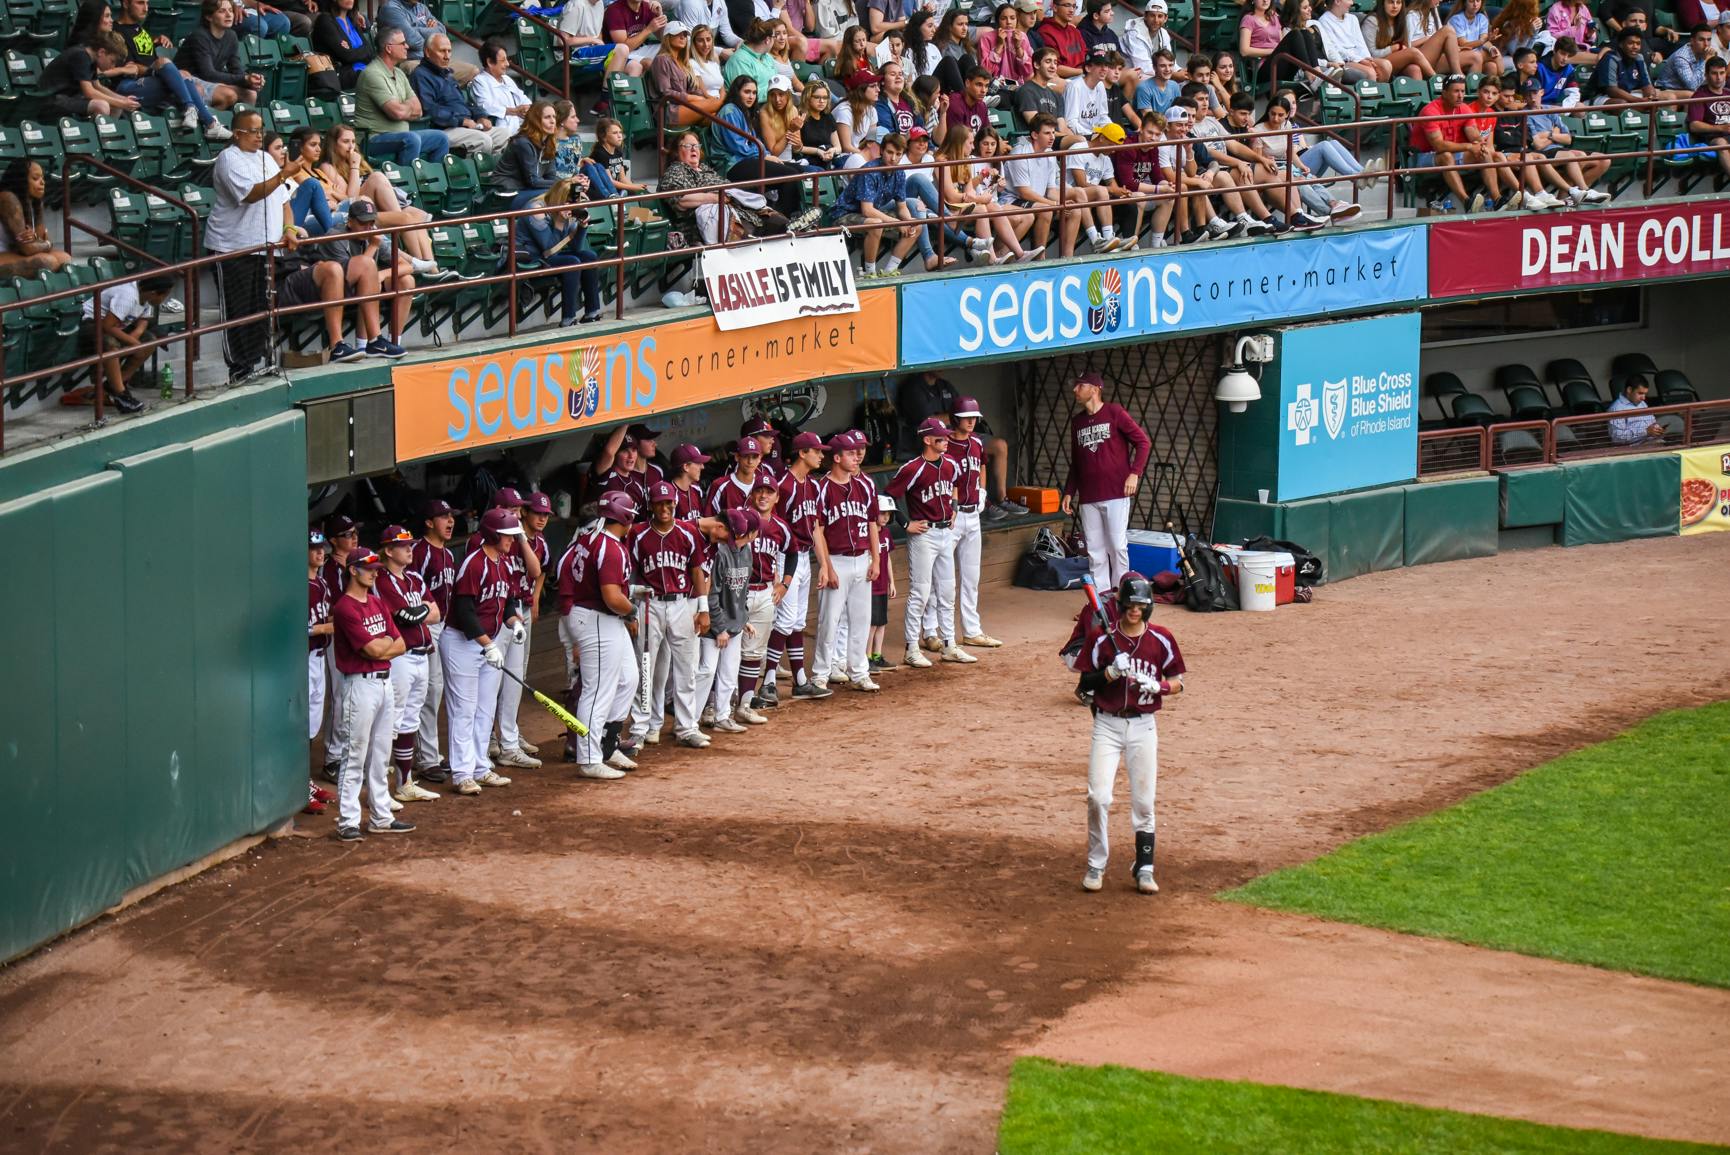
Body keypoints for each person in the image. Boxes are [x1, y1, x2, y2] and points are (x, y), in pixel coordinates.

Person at [1073, 574, 1185, 894]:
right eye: (1130, 605)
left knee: (1144, 802)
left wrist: (1159, 686)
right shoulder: (1101, 639)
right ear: (1120, 605)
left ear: (1148, 607)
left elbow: (1178, 682)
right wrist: (1109, 673)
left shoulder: (1161, 638)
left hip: (1143, 726)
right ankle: (1096, 864)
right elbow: (1083, 685)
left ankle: (1144, 867)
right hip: (1107, 725)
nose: (1135, 611)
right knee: (1098, 797)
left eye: (1141, 606)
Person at [206, 109, 307, 382]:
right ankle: (239, 368)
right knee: (238, 310)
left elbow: (284, 202)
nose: (259, 136)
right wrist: (284, 173)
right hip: (233, 247)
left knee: (261, 308)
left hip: (265, 247)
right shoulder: (228, 158)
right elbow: (250, 195)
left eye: (261, 130)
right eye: (253, 131)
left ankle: (258, 361)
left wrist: (289, 229)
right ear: (237, 133)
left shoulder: (266, 158)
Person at [328, 549, 417, 841]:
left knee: (381, 755)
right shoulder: (345, 608)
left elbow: (401, 644)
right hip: (359, 686)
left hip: (384, 684)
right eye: (369, 568)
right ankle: (347, 821)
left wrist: (383, 645)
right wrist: (384, 644)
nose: (375, 572)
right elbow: (373, 649)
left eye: (377, 568)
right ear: (353, 570)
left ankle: (381, 817)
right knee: (354, 754)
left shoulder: (377, 602)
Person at [557, 491, 641, 779]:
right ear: (625, 518)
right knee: (597, 691)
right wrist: (632, 610)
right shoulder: (609, 546)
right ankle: (590, 758)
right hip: (595, 617)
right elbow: (612, 597)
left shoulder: (591, 537)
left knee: (628, 679)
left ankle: (607, 744)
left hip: (602, 617)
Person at [441, 507, 524, 796]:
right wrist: (488, 644)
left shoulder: (505, 563)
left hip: (488, 642)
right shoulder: (474, 564)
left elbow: (508, 602)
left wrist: (514, 623)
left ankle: (480, 766)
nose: (512, 540)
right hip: (462, 643)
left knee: (485, 708)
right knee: (463, 709)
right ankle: (462, 773)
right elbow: (464, 612)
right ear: (492, 534)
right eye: (507, 535)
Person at [628, 480, 712, 750]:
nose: (665, 508)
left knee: (686, 668)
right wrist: (631, 610)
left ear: (675, 504)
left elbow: (697, 570)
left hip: (681, 604)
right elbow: (628, 572)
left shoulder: (688, 532)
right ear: (651, 505)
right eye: (659, 503)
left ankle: (687, 727)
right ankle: (640, 728)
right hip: (649, 605)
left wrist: (703, 608)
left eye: (669, 503)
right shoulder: (638, 533)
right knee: (645, 669)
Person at [887, 415, 973, 669]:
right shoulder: (913, 468)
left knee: (947, 591)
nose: (946, 440)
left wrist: (954, 508)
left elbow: (955, 486)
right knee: (920, 593)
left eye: (946, 437)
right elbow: (888, 497)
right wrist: (906, 524)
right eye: (940, 438)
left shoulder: (949, 464)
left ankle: (949, 645)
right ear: (927, 440)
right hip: (924, 535)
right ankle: (911, 648)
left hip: (946, 532)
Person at [1063, 371, 1152, 593]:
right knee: (1095, 551)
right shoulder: (1077, 422)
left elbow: (1143, 442)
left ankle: (1122, 595)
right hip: (1088, 496)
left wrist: (1135, 473)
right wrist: (1069, 491)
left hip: (1115, 492)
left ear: (1095, 389)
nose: (1075, 390)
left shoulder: (1114, 412)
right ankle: (1102, 599)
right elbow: (1076, 461)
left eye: (1080, 386)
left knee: (1117, 547)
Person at [759, 431, 831, 706]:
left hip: (804, 558)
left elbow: (815, 528)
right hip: (783, 557)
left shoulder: (813, 486)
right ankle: (768, 682)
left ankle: (800, 680)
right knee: (785, 620)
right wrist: (775, 569)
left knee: (798, 621)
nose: (821, 455)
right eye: (817, 451)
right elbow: (772, 525)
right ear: (802, 453)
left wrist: (823, 564)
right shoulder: (783, 485)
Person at [377, 524, 442, 805]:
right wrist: (422, 610)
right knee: (390, 721)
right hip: (399, 658)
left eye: (410, 544)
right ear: (389, 551)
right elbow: (403, 616)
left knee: (410, 720)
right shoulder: (382, 579)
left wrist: (421, 610)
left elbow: (436, 613)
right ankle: (379, 790)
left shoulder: (414, 577)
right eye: (403, 546)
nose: (409, 549)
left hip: (421, 655)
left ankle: (404, 784)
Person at [811, 430, 881, 693]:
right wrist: (827, 567)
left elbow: (872, 523)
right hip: (836, 560)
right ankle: (821, 673)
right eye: (850, 453)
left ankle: (859, 671)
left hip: (861, 559)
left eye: (857, 453)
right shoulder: (822, 488)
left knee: (861, 620)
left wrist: (876, 559)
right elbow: (817, 530)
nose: (857, 457)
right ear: (837, 458)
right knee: (829, 622)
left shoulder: (865, 485)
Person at [833, 128, 944, 275]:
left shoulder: (899, 173)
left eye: (898, 154)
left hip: (869, 215)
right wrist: (897, 224)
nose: (893, 158)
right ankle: (870, 274)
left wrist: (908, 221)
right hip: (844, 214)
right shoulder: (869, 171)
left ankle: (889, 272)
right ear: (881, 151)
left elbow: (902, 207)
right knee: (876, 224)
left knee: (917, 226)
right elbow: (867, 210)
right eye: (889, 152)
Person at [111, 0, 227, 137]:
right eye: (140, 3)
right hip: (129, 86)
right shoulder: (117, 32)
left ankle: (198, 116)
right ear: (126, 4)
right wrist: (159, 70)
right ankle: (204, 119)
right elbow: (131, 68)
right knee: (170, 68)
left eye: (147, 3)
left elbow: (143, 55)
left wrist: (156, 41)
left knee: (190, 83)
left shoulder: (139, 29)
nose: (146, 8)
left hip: (151, 83)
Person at [693, 508, 759, 733]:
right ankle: (690, 722)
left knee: (729, 673)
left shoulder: (747, 552)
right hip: (714, 626)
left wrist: (743, 618)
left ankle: (723, 717)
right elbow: (712, 593)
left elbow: (743, 589)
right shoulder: (719, 552)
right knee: (706, 672)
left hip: (734, 624)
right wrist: (720, 627)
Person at [411, 499, 457, 783]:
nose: (450, 521)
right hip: (424, 626)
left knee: (438, 689)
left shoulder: (448, 555)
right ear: (429, 522)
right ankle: (426, 757)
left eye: (451, 516)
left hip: (446, 626)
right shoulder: (419, 551)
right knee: (428, 690)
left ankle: (428, 753)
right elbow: (409, 590)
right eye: (443, 516)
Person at [356, 28, 451, 165]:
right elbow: (397, 113)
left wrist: (403, 109)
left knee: (441, 138)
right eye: (402, 43)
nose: (407, 46)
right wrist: (406, 108)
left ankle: (433, 179)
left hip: (401, 136)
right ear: (389, 48)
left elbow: (418, 110)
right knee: (411, 139)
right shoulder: (372, 74)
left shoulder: (399, 73)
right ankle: (406, 178)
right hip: (373, 138)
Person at [83, 273, 173, 413]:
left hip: (117, 326)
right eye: (164, 296)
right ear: (153, 293)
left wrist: (135, 338)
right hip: (91, 323)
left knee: (149, 341)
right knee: (111, 344)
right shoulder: (128, 296)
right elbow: (107, 326)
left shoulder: (146, 295)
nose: (164, 299)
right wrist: (134, 343)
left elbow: (144, 320)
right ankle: (120, 395)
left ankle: (113, 386)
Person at [412, 34, 512, 155]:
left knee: (503, 134)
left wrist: (481, 116)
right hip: (443, 129)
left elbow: (463, 104)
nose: (447, 56)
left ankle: (493, 167)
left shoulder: (447, 75)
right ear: (428, 52)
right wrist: (461, 121)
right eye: (442, 51)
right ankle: (475, 166)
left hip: (465, 126)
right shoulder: (420, 75)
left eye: (449, 51)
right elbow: (430, 110)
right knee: (483, 140)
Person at [741, 476, 794, 704]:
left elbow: (792, 553)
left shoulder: (780, 526)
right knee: (729, 650)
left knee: (754, 652)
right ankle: (717, 703)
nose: (763, 496)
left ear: (777, 498)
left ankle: (746, 700)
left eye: (769, 492)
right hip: (739, 591)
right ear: (751, 494)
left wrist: (785, 584)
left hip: (764, 591)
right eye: (759, 491)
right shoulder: (738, 519)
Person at [318, 514, 360, 781]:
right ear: (333, 541)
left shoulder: (360, 563)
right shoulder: (330, 569)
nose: (354, 537)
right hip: (336, 636)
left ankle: (350, 754)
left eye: (355, 532)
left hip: (359, 633)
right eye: (347, 534)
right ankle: (333, 757)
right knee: (340, 694)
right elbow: (331, 611)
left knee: (356, 695)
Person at [1410, 73, 1481, 210]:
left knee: (1484, 153)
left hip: (1451, 153)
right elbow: (1439, 146)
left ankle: (1498, 199)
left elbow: (1474, 136)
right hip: (1421, 157)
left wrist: (1479, 144)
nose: (1460, 95)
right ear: (1444, 93)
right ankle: (1467, 201)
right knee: (1446, 156)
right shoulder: (1431, 111)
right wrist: (1468, 146)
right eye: (1456, 91)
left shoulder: (1464, 108)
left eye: (1462, 91)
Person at [305, 528, 337, 815]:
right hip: (302, 659)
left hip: (319, 657)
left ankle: (304, 780)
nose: (320, 552)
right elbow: (300, 627)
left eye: (322, 548)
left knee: (313, 722)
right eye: (313, 548)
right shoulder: (298, 585)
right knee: (301, 723)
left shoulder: (323, 583)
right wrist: (327, 627)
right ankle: (298, 784)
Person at [179, 0, 262, 107]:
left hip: (210, 80)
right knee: (229, 95)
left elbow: (236, 69)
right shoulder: (199, 36)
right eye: (222, 11)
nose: (228, 15)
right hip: (188, 81)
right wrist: (244, 79)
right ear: (209, 17)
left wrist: (250, 81)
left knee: (250, 94)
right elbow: (208, 74)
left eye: (230, 10)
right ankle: (211, 117)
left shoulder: (231, 36)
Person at [41, 29, 135, 118]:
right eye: (112, 61)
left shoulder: (92, 60)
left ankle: (106, 130)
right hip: (52, 99)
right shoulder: (81, 56)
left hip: (69, 97)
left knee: (116, 107)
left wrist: (123, 99)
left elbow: (97, 86)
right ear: (101, 52)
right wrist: (121, 103)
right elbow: (89, 92)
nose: (113, 67)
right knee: (102, 106)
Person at [377, 0, 475, 79]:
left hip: (432, 59)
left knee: (472, 71)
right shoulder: (391, 9)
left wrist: (416, 29)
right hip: (409, 60)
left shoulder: (421, 7)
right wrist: (430, 31)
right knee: (433, 77)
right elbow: (414, 41)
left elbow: (442, 32)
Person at [471, 39, 534, 136]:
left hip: (520, 126)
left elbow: (522, 98)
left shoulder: (506, 79)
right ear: (490, 62)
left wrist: (526, 108)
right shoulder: (480, 81)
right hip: (501, 130)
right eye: (503, 60)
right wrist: (513, 111)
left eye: (507, 60)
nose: (507, 64)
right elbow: (485, 106)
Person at [1317, 0, 1388, 82]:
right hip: (1344, 60)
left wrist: (1368, 59)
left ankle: (1380, 89)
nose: (1352, 3)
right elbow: (1336, 49)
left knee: (1385, 66)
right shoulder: (1324, 21)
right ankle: (1370, 90)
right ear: (1337, 1)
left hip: (1360, 57)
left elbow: (1361, 43)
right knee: (1370, 73)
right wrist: (1359, 60)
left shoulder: (1353, 18)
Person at [311, 0, 375, 91]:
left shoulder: (352, 20)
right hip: (340, 75)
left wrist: (352, 50)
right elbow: (347, 56)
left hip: (363, 70)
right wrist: (362, 50)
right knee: (376, 78)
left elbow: (370, 50)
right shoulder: (325, 20)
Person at [866, 494, 898, 671]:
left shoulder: (886, 533)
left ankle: (877, 656)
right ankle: (867, 658)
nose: (886, 517)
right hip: (871, 585)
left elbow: (888, 559)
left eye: (888, 514)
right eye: (882, 513)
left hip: (883, 585)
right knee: (871, 623)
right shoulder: (867, 533)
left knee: (881, 622)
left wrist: (892, 582)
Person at [1362, 0, 1433, 78]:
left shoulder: (1401, 21)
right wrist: (1394, 48)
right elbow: (1371, 54)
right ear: (1382, 4)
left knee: (1414, 69)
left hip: (1395, 60)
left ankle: (1427, 85)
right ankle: (1435, 79)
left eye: (1398, 2)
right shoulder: (1372, 21)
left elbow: (1407, 46)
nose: (1395, 6)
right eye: (1391, 2)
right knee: (1413, 52)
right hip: (1377, 62)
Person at [1688, 55, 1730, 183]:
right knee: (1721, 143)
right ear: (1706, 75)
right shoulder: (1700, 96)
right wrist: (1719, 128)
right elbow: (1694, 125)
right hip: (1711, 139)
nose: (1718, 77)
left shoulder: (1728, 94)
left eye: (1721, 73)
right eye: (1714, 73)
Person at [605, 0, 669, 75]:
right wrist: (648, 30)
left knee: (670, 48)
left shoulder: (647, 7)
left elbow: (663, 38)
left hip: (640, 49)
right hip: (617, 54)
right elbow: (623, 47)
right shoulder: (615, 10)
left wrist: (659, 15)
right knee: (649, 63)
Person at [979, 2, 1035, 84]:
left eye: (1012, 18)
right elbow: (985, 71)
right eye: (1003, 18)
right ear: (997, 21)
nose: (1009, 22)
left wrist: (1018, 47)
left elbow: (1028, 71)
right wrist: (999, 45)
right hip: (994, 84)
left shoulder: (1022, 37)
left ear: (1017, 20)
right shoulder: (986, 38)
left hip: (1018, 85)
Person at [1607, 379, 1672, 445]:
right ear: (1629, 390)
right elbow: (1616, 437)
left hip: (1650, 442)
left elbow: (1652, 422)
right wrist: (1645, 432)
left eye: (1645, 394)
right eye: (1640, 393)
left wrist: (1657, 429)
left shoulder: (1642, 403)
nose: (1643, 398)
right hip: (1633, 447)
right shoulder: (1616, 408)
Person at [1037, 0, 1089, 76]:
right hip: (1065, 78)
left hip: (1084, 74)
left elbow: (1086, 54)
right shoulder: (1045, 32)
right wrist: (1083, 71)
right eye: (1067, 5)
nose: (1072, 10)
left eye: (1074, 6)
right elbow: (1054, 67)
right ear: (1055, 7)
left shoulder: (1074, 31)